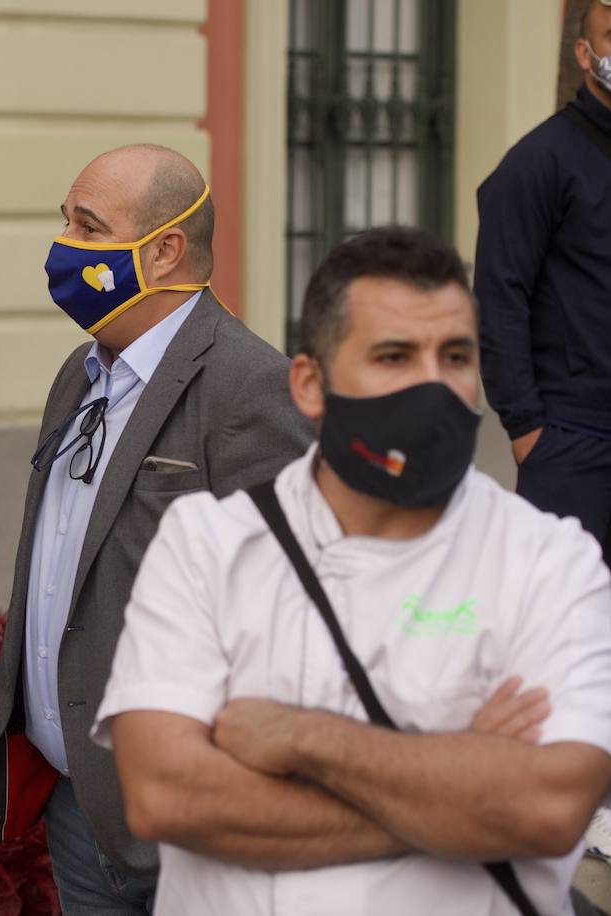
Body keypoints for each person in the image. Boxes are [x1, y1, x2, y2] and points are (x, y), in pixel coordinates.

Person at [94, 226, 611, 916]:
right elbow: (165, 796)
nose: (435, 386)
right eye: (394, 355)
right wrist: (464, 785)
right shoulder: (208, 544)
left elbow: (548, 810)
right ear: (309, 384)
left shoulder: (551, 559)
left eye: (455, 356)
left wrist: (296, 736)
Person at [0, 144, 312, 914]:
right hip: (76, 801)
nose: (63, 247)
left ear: (163, 252)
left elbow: (291, 610)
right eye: (65, 221)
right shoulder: (80, 374)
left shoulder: (250, 386)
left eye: (88, 228)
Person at [475, 0, 611, 559]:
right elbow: (499, 295)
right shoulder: (539, 162)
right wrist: (527, 428)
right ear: (584, 52)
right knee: (568, 626)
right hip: (573, 441)